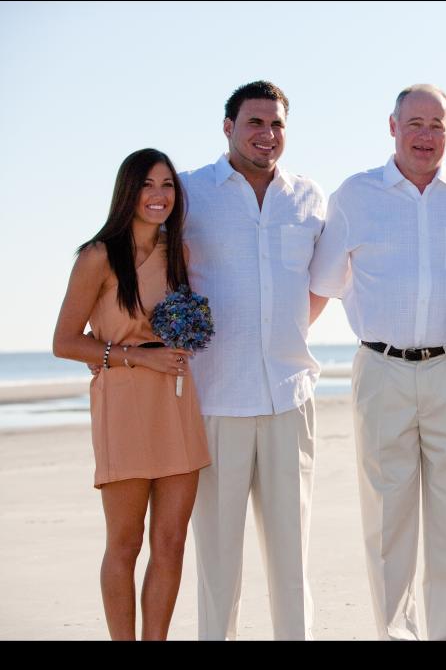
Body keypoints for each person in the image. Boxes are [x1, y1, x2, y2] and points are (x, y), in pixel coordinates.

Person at [310, 84, 446, 640]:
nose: (426, 135)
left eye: (437, 125)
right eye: (414, 123)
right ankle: (396, 632)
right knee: (387, 515)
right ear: (391, 126)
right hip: (381, 370)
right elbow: (326, 283)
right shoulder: (354, 195)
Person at [179, 81, 328, 640]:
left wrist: (283, 330)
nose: (267, 134)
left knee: (292, 559)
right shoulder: (191, 192)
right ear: (228, 127)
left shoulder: (309, 197)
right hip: (215, 399)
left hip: (290, 398)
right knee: (218, 562)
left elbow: (322, 283)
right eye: (254, 123)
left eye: (277, 124)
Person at [52, 148, 211, 640]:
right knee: (124, 543)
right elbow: (64, 342)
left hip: (177, 400)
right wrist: (140, 356)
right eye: (147, 184)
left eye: (167, 184)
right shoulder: (98, 256)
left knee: (172, 540)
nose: (158, 195)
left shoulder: (178, 253)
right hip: (122, 401)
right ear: (128, 191)